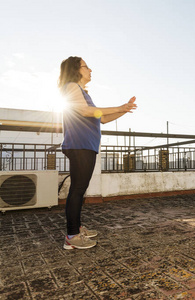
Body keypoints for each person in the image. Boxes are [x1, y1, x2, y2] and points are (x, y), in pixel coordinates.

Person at [58, 56, 137, 249]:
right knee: (77, 190)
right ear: (76, 69)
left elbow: (101, 119)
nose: (91, 70)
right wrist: (119, 107)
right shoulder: (71, 87)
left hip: (86, 144)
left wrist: (124, 110)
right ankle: (72, 236)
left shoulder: (82, 92)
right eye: (86, 66)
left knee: (79, 189)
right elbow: (85, 112)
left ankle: (76, 228)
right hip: (80, 144)